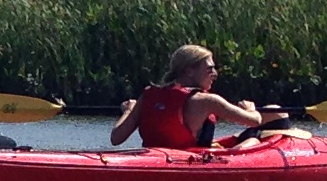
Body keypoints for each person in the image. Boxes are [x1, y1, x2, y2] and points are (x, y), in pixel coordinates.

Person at [110, 43, 304, 150]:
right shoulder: (207, 101)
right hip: (188, 159)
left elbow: (116, 139)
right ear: (189, 71)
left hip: (156, 155)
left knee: (276, 112)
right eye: (209, 68)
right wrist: (250, 109)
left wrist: (128, 111)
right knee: (259, 131)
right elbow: (254, 120)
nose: (215, 73)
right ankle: (260, 140)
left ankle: (257, 138)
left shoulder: (148, 95)